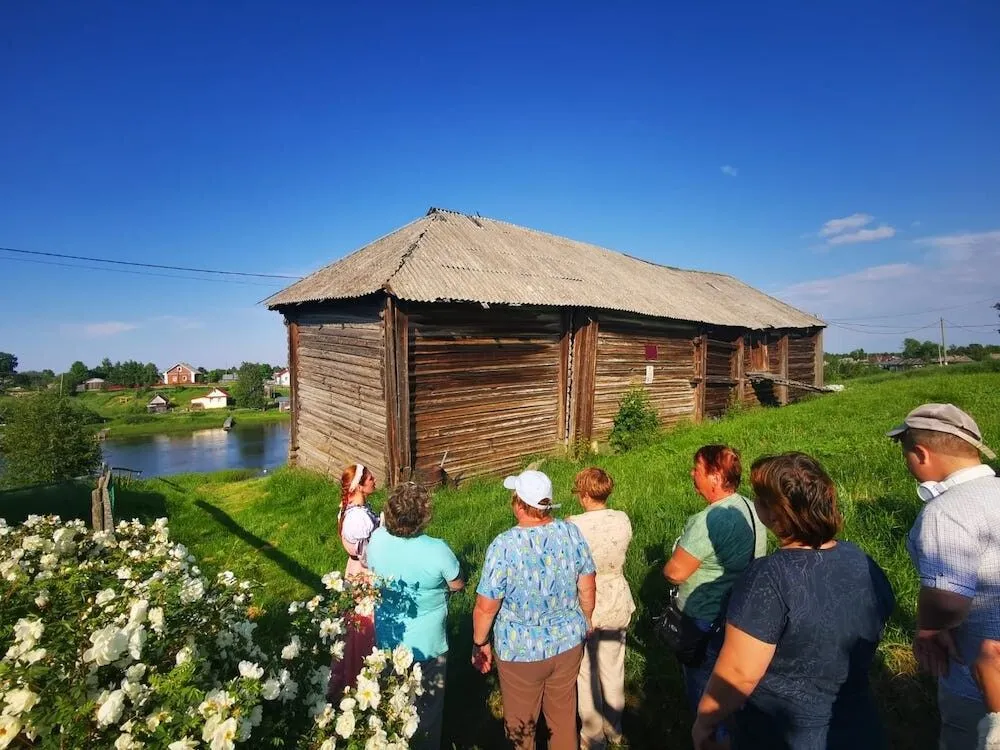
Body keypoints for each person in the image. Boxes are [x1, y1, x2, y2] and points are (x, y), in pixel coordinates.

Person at [693, 452, 895, 750]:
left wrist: (705, 722)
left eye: (759, 498)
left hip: (785, 735)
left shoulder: (768, 577)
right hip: (858, 727)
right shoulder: (861, 560)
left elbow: (739, 673)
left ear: (774, 514)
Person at [888, 403, 1000, 750]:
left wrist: (929, 629)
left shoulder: (946, 511)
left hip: (978, 683)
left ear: (920, 453)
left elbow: (948, 600)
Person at [471, 469, 597, 750]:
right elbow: (587, 584)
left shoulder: (503, 545)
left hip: (520, 652)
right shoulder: (570, 531)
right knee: (563, 718)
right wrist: (587, 619)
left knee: (521, 726)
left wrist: (480, 643)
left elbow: (485, 606)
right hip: (567, 643)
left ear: (518, 503)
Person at [662, 445, 766, 712]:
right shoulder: (751, 508)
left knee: (704, 692)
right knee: (732, 689)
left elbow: (675, 573)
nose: (691, 473)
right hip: (740, 614)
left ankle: (708, 735)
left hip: (705, 620)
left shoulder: (707, 521)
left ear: (716, 477)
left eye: (697, 469)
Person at [367, 482, 464, 749]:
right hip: (429, 643)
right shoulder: (437, 549)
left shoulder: (376, 541)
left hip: (389, 638)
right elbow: (457, 584)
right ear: (423, 515)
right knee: (429, 708)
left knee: (394, 703)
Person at [568, 467, 635, 750]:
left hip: (587, 599)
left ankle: (593, 735)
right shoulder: (622, 519)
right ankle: (615, 727)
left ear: (584, 495)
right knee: (613, 665)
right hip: (617, 595)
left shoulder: (573, 524)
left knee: (586, 670)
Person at [327, 462, 380, 700]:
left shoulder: (353, 510)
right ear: (359, 485)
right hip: (363, 572)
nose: (374, 480)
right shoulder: (358, 518)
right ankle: (360, 674)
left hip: (355, 569)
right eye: (369, 478)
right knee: (364, 620)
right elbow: (368, 556)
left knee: (356, 620)